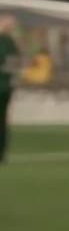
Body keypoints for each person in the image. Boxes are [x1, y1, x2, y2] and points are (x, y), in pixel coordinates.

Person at [0, 14, 19, 164]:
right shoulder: (12, 44)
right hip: (8, 87)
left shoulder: (4, 42)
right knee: (3, 120)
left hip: (2, 86)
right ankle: (2, 153)